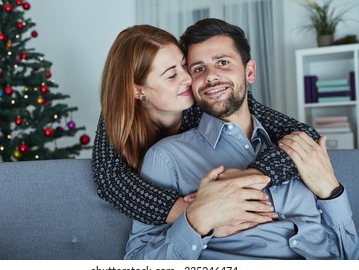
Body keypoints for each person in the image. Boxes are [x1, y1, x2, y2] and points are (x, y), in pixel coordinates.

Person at [124, 18, 359, 260]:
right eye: (198, 69)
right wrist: (197, 221)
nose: (211, 77)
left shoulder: (298, 149)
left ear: (249, 72)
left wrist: (332, 192)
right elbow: (136, 266)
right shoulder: (166, 157)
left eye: (223, 63)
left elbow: (349, 256)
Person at [91, 24, 321, 226]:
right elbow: (110, 180)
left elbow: (304, 134)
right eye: (171, 75)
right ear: (138, 90)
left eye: (185, 66)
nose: (188, 78)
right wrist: (194, 212)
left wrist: (253, 175)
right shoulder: (118, 115)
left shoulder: (206, 102)